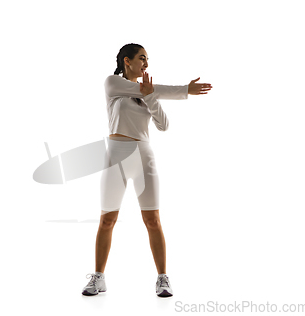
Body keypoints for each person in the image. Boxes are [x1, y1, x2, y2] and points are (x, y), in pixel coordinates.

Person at [82, 43, 212, 297]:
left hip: (144, 157)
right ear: (127, 61)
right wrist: (184, 90)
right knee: (107, 220)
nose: (146, 64)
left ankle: (162, 278)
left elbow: (163, 125)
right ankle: (98, 277)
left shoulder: (147, 93)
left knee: (152, 220)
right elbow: (147, 90)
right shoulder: (113, 83)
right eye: (142, 58)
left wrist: (152, 97)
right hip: (116, 157)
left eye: (148, 59)